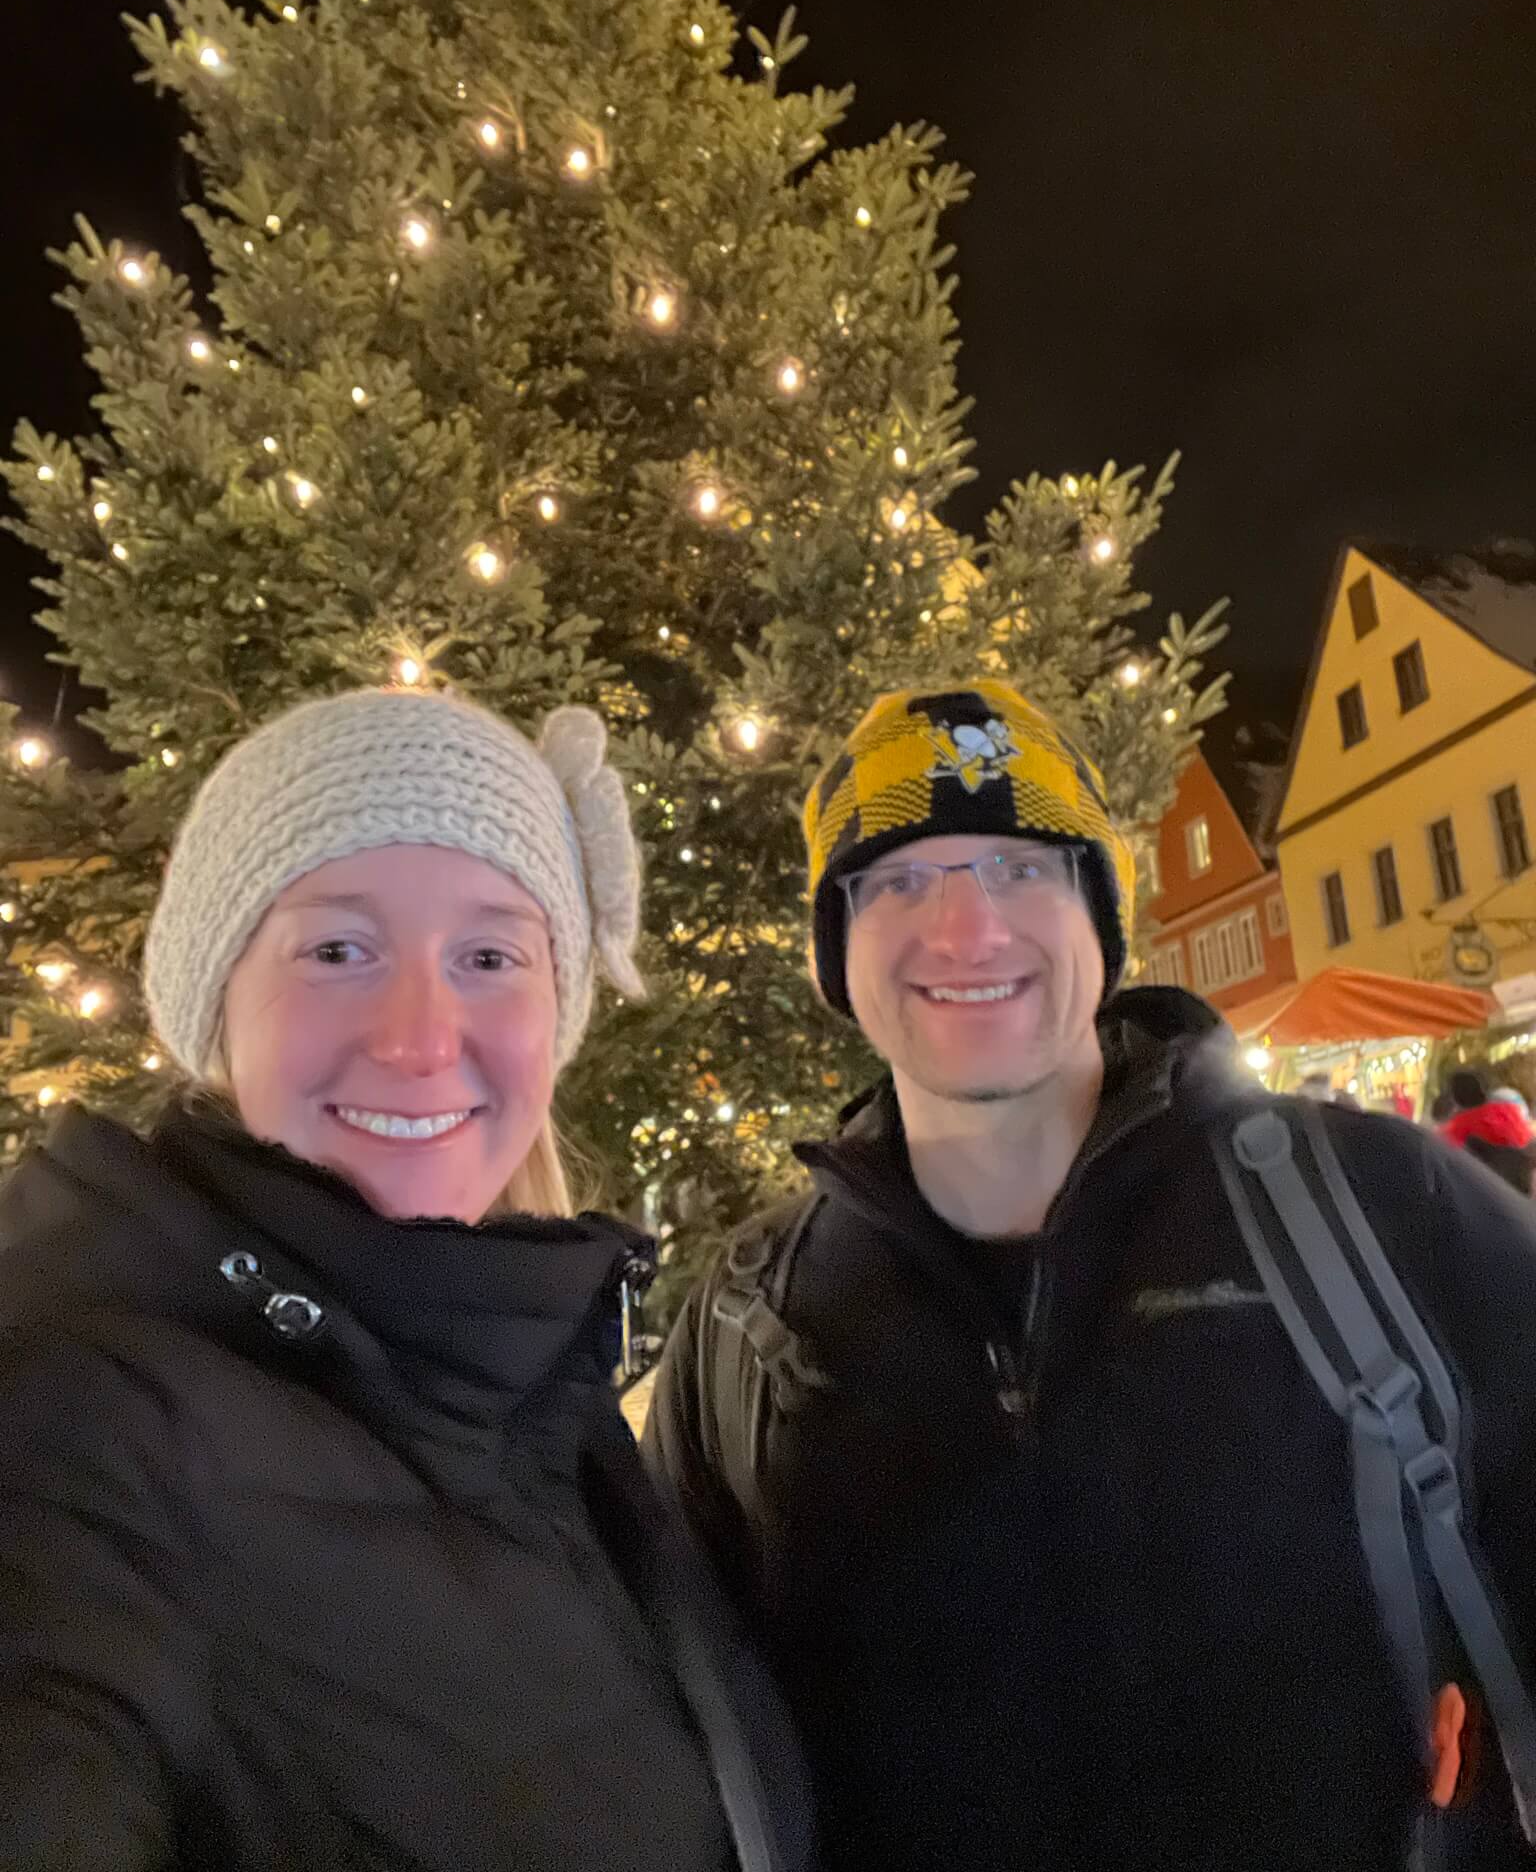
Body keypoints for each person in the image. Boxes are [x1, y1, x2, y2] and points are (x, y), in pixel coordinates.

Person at [644, 678, 1536, 1872]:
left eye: (1020, 865)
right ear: (836, 949)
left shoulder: (1377, 1209)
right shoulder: (748, 1325)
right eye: (901, 878)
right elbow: (669, 1747)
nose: (966, 929)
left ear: (1099, 917)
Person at [0, 687, 811, 1872]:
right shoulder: (77, 1425)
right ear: (217, 998)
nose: (421, 1035)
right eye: (339, 948)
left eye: (488, 953)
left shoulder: (542, 1401)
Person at [1440, 1067, 1536, 1195]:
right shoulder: (1509, 1111)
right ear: (1481, 1090)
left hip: (1487, 1197)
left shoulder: (1455, 1128)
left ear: (1456, 1098)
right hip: (1522, 1189)